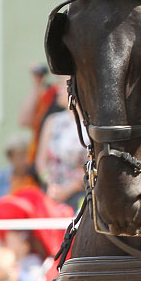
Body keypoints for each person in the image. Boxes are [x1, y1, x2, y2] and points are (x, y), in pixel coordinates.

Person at [34, 77, 86, 210]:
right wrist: (49, 184)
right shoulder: (53, 121)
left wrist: (68, 189)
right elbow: (41, 160)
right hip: (52, 194)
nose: (57, 90)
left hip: (82, 194)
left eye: (62, 86)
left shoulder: (90, 124)